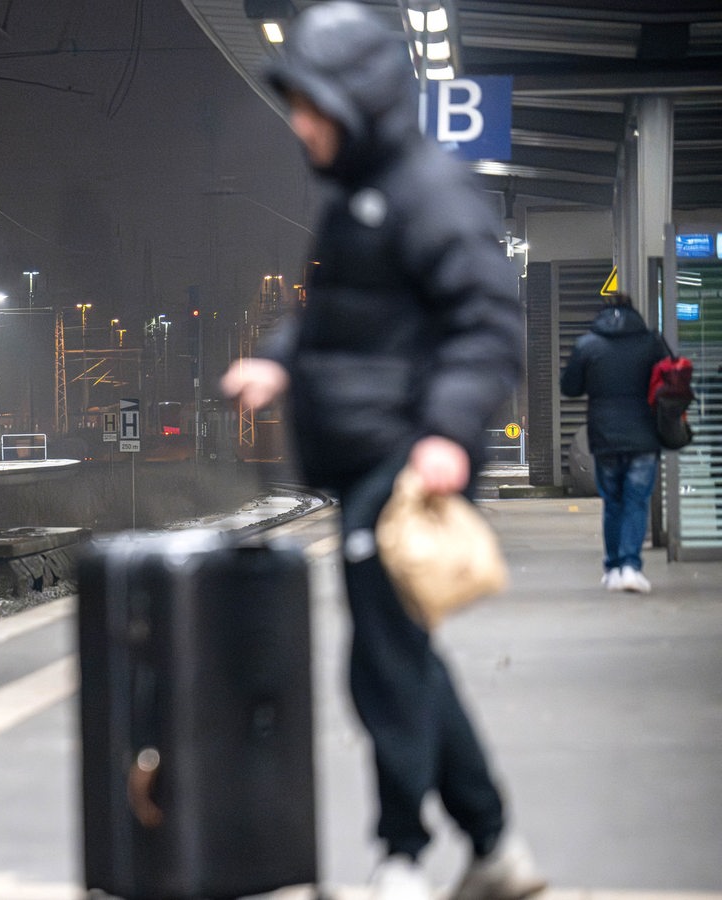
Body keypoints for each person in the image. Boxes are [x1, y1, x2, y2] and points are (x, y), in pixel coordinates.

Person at [219, 3, 546, 898]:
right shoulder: (359, 198)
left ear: (358, 99)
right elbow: (333, 323)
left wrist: (445, 433)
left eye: (315, 106)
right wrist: (278, 361)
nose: (302, 124)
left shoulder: (426, 195)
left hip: (402, 464)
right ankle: (494, 849)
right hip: (372, 455)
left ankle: (403, 855)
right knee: (402, 661)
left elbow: (486, 324)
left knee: (384, 668)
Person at [559, 292, 666, 593]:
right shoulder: (651, 343)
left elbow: (570, 387)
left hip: (604, 436)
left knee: (613, 501)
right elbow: (668, 379)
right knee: (636, 500)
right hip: (644, 434)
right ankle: (631, 566)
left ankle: (613, 569)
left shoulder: (588, 344)